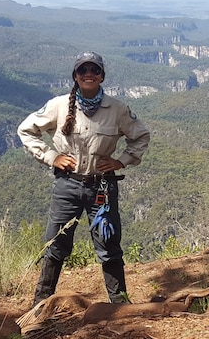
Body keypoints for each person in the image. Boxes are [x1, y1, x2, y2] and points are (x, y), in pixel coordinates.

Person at [18, 51, 150, 305]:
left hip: (102, 185)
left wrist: (121, 161)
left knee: (109, 244)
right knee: (55, 244)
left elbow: (141, 135)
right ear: (75, 76)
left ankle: (120, 306)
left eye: (94, 70)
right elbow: (27, 129)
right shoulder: (58, 106)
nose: (88, 74)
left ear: (102, 76)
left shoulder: (117, 109)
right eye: (83, 71)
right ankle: (40, 306)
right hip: (67, 184)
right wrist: (51, 156)